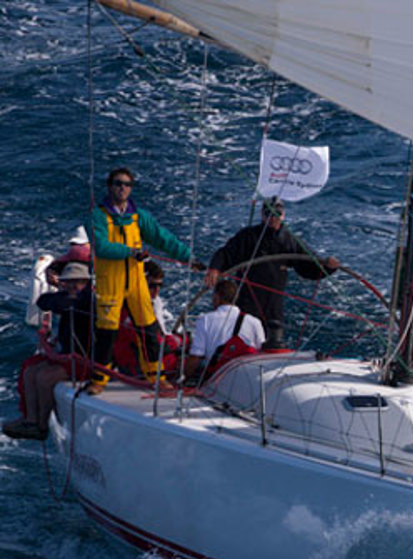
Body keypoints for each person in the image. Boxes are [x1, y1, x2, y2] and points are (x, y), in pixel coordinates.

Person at [88, 167, 192, 394]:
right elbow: (101, 247)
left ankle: (157, 378)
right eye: (117, 183)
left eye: (126, 184)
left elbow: (161, 237)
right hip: (111, 284)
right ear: (110, 186)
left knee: (149, 330)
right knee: (106, 333)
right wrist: (131, 252)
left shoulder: (138, 216)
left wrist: (187, 257)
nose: (122, 187)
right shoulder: (98, 215)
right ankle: (98, 379)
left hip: (136, 283)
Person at [204, 197, 339, 350]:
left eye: (277, 213)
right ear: (262, 215)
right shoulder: (248, 236)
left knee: (272, 348)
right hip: (246, 305)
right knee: (243, 348)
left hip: (274, 309)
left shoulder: (290, 240)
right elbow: (225, 254)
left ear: (283, 215)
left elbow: (309, 265)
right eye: (269, 213)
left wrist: (329, 267)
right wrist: (214, 268)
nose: (273, 217)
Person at [4, 262, 94, 441]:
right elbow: (44, 301)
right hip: (68, 356)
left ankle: (41, 425)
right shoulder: (66, 298)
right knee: (30, 372)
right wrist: (61, 291)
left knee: (44, 378)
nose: (73, 285)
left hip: (86, 361)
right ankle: (31, 420)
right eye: (69, 281)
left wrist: (63, 293)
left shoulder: (89, 300)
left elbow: (65, 303)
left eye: (78, 281)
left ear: (87, 282)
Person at [185, 279, 265, 380]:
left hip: (217, 381)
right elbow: (262, 354)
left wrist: (181, 377)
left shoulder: (205, 320)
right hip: (248, 380)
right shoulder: (254, 322)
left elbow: (196, 357)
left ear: (217, 297)